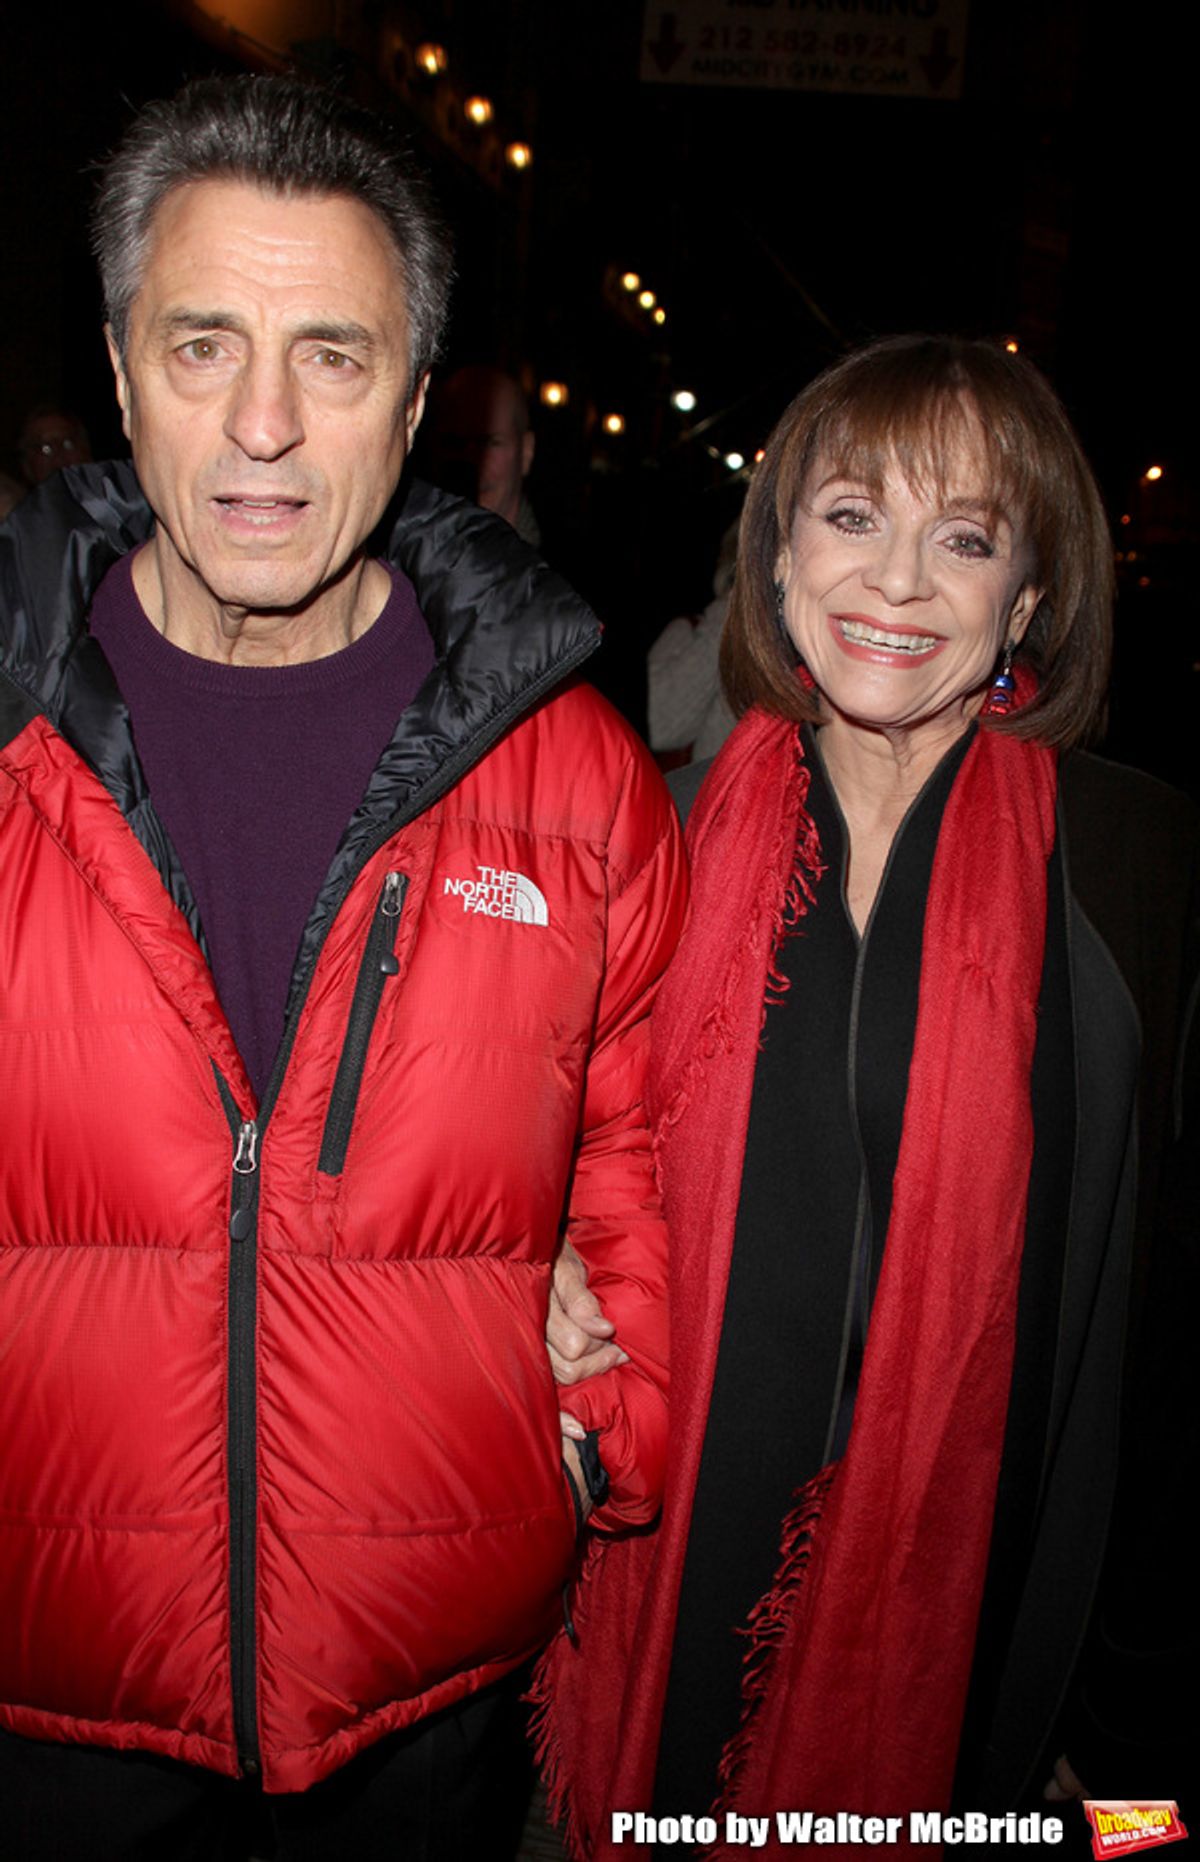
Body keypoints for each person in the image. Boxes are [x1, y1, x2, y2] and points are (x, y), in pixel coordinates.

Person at [0, 74, 684, 1860]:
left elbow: (656, 1160)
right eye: (207, 343)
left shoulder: (574, 771)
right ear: (122, 362)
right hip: (35, 1698)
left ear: (420, 398)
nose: (266, 428)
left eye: (336, 355)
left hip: (428, 1709)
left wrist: (601, 1430)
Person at [537, 336, 1198, 1858]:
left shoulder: (1141, 864)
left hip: (1001, 1647)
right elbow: (523, 1175)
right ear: (775, 557)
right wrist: (537, 1274)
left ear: (1026, 599)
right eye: (852, 515)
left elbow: (1170, 1334)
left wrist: (1138, 1778)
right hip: (665, 1583)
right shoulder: (648, 835)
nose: (898, 582)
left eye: (962, 537)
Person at [426, 363, 541, 546]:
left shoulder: (555, 570)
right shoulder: (398, 562)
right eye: (455, 443)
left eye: (490, 443)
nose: (472, 459)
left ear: (527, 451)